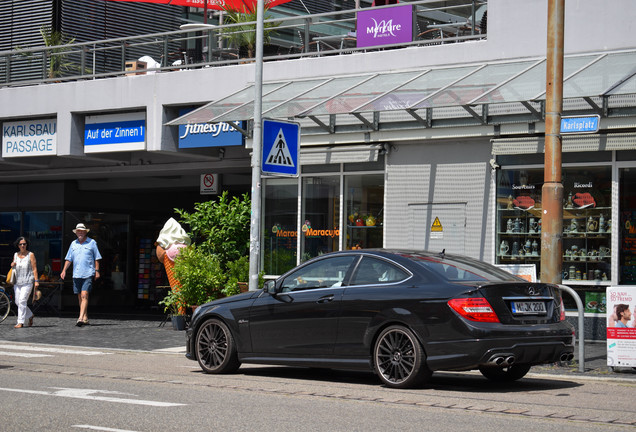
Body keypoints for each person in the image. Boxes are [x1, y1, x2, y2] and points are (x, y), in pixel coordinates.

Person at [60, 223, 102, 327]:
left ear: (85, 232)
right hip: (76, 274)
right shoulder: (73, 244)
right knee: (80, 297)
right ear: (76, 233)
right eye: (78, 231)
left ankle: (80, 318)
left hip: (88, 273)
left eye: (82, 231)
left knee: (84, 295)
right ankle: (85, 317)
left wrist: (97, 271)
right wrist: (64, 270)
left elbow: (97, 258)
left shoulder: (92, 243)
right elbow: (69, 259)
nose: (80, 233)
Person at [10, 237, 39, 328]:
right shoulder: (15, 255)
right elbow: (14, 268)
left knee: (22, 300)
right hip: (17, 281)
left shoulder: (30, 255)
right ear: (18, 245)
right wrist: (12, 265)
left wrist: (36, 281)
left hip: (28, 281)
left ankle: (20, 322)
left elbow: (34, 269)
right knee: (18, 302)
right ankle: (30, 315)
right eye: (21, 244)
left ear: (27, 245)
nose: (23, 245)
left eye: (24, 244)